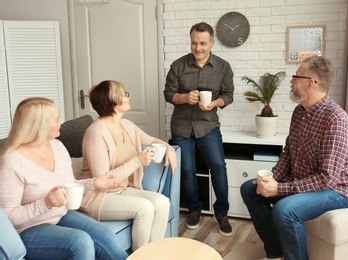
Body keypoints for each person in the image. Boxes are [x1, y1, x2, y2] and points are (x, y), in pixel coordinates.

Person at [240, 56, 348, 260]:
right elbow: (289, 153)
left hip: (337, 190)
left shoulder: (335, 121)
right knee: (249, 189)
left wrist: (279, 189)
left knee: (284, 209)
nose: (291, 80)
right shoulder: (299, 112)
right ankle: (276, 253)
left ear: (311, 83)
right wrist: (271, 178)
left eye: (296, 76)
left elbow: (327, 179)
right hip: (308, 181)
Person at [0, 97, 128, 260]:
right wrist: (45, 203)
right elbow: (7, 218)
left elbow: (69, 186)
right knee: (80, 242)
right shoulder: (11, 162)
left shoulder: (57, 147)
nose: (62, 121)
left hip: (58, 215)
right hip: (26, 230)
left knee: (105, 233)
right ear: (40, 126)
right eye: (56, 118)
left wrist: (93, 183)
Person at [80, 80, 177, 252]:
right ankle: (140, 256)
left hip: (122, 190)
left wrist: (170, 149)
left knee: (162, 202)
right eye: (125, 94)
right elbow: (104, 180)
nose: (128, 96)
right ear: (114, 102)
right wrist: (137, 161)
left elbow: (153, 140)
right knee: (145, 208)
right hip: (99, 197)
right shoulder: (96, 133)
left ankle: (153, 255)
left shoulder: (126, 125)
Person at [164, 22, 234, 236]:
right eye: (194, 43)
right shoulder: (178, 65)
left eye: (203, 43)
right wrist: (184, 97)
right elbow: (168, 94)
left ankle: (221, 212)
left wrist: (214, 103)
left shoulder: (223, 67)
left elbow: (228, 95)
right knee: (186, 170)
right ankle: (194, 210)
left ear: (212, 42)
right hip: (182, 127)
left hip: (208, 127)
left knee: (218, 168)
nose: (198, 48)